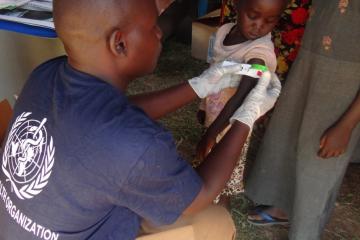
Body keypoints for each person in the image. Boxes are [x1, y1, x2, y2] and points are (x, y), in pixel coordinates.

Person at [0, 0, 281, 239]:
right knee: (214, 220)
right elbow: (201, 195)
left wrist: (198, 86)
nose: (160, 34)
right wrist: (247, 115)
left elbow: (115, 113)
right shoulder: (135, 145)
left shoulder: (46, 75)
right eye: (152, 28)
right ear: (119, 43)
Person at [245, 0, 360, 239]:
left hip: (346, 85)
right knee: (289, 137)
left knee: (318, 164)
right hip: (312, 60)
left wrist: (347, 124)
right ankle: (284, 207)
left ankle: (304, 232)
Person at [195, 0, 287, 206]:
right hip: (214, 117)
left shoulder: (259, 53)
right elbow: (211, 73)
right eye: (253, 16)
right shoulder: (224, 32)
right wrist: (203, 107)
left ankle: (220, 222)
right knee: (207, 168)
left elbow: (241, 96)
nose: (259, 26)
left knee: (221, 179)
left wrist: (213, 133)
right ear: (237, 5)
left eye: (270, 20)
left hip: (232, 128)